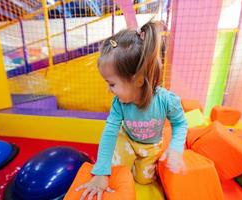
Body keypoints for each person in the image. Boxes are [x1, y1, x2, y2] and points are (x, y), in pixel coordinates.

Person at [76, 21, 188, 200]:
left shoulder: (166, 100)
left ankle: (140, 165)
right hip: (126, 140)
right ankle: (122, 163)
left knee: (144, 180)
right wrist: (101, 172)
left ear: (138, 80)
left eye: (112, 84)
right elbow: (110, 131)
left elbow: (180, 123)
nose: (108, 89)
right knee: (117, 171)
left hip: (151, 146)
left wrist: (175, 148)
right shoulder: (119, 103)